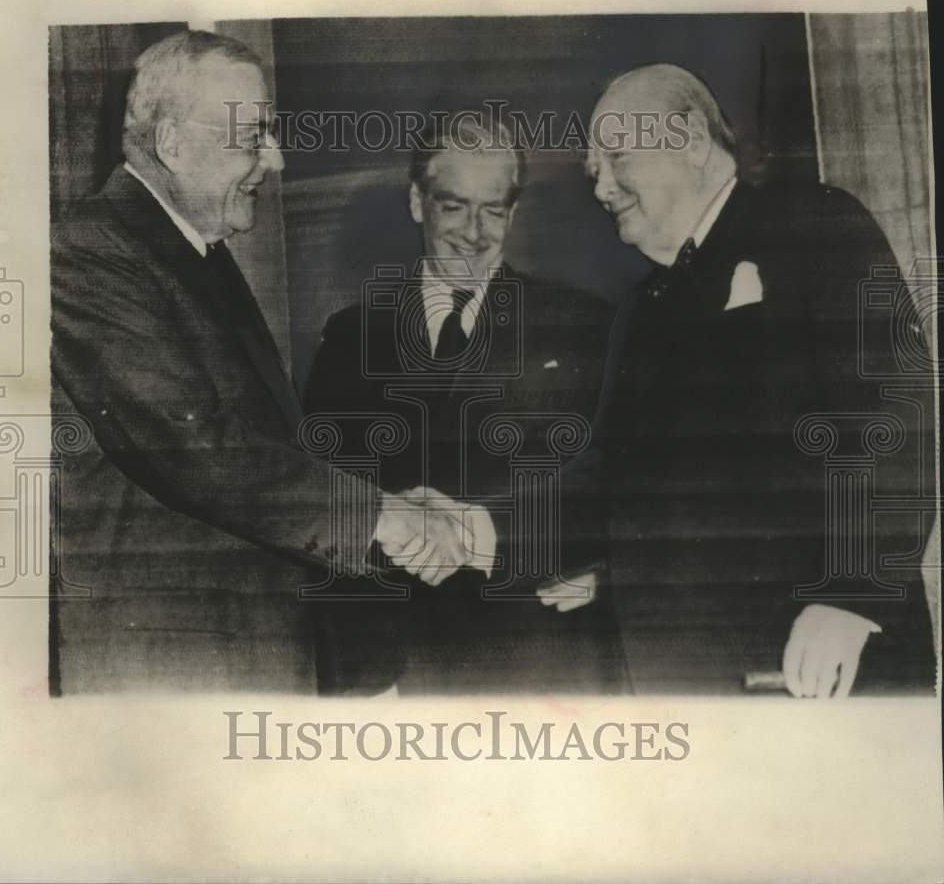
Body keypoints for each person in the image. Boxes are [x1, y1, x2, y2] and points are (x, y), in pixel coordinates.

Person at [50, 30, 472, 694]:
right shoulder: (86, 253)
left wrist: (384, 499)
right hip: (171, 671)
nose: (273, 160)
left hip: (247, 650)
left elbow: (268, 446)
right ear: (172, 145)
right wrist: (379, 516)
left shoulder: (198, 252)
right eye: (253, 137)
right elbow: (200, 450)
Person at [572, 62, 934, 696]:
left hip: (816, 668)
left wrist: (853, 595)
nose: (601, 185)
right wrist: (475, 529)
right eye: (592, 170)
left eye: (617, 156)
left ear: (686, 139)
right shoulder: (637, 312)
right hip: (682, 689)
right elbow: (608, 475)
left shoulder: (816, 225)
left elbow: (896, 410)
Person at [306, 112, 627, 694]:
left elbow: (620, 490)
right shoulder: (351, 338)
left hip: (540, 665)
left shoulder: (583, 326)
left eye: (494, 209)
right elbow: (322, 499)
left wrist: (606, 574)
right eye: (454, 206)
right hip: (397, 675)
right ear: (416, 202)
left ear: (514, 212)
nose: (474, 233)